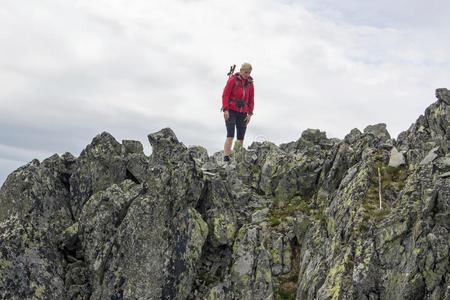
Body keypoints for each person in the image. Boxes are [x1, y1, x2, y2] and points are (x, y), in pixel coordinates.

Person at [221, 63, 254, 162]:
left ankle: (238, 157)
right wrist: (225, 109)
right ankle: (226, 157)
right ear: (241, 70)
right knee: (230, 135)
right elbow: (225, 95)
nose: (247, 74)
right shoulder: (233, 80)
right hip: (231, 111)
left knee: (240, 137)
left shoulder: (250, 83)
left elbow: (251, 99)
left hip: (243, 112)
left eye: (249, 73)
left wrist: (249, 114)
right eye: (245, 72)